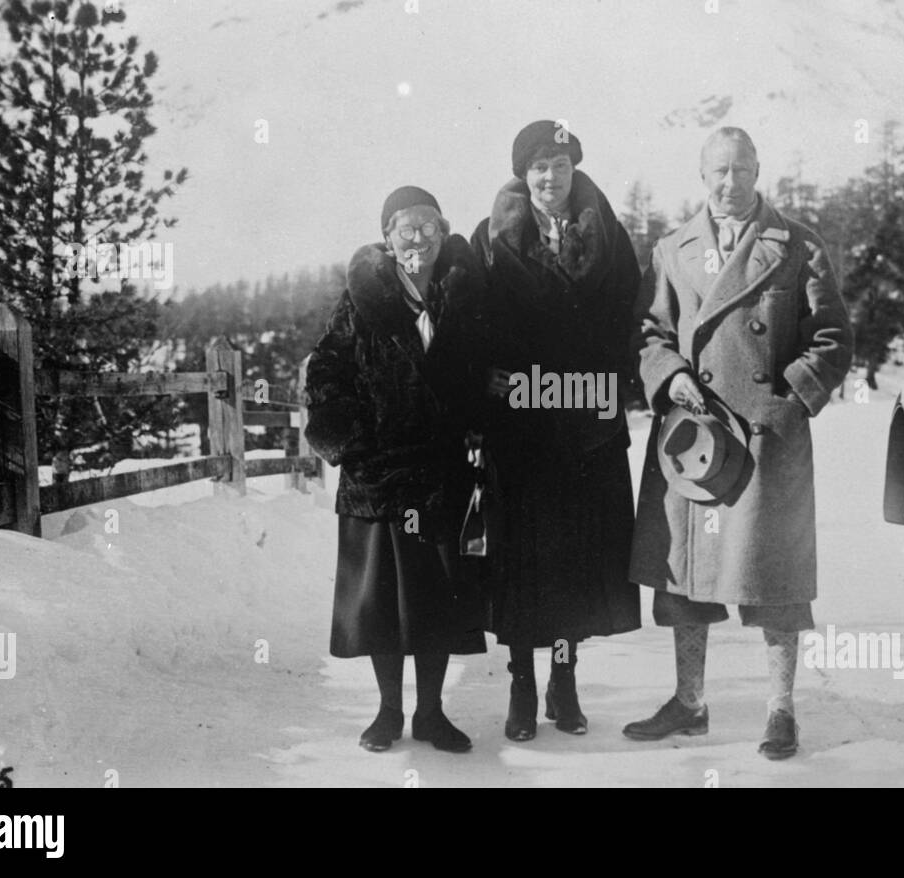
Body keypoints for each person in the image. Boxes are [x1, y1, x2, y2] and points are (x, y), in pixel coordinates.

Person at [623, 128, 852, 759]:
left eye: (743, 169)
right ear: (703, 175)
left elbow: (833, 338)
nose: (732, 183)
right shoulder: (673, 249)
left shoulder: (798, 245)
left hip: (765, 442)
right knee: (684, 578)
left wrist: (790, 398)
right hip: (694, 440)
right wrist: (669, 379)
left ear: (759, 170)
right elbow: (650, 332)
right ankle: (689, 703)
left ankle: (781, 710)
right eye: (720, 171)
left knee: (774, 580)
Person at [468, 120, 642, 741]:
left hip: (586, 430)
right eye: (539, 166)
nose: (550, 177)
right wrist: (490, 385)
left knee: (574, 562)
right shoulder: (489, 239)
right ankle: (521, 686)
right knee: (520, 562)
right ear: (524, 173)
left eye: (560, 166)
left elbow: (630, 315)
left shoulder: (608, 235)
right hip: (519, 429)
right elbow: (472, 323)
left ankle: (563, 685)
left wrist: (616, 385)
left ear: (574, 171)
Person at [304, 186, 486, 754]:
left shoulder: (459, 296)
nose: (418, 238)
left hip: (439, 477)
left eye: (429, 226)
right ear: (387, 237)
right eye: (406, 228)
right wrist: (355, 443)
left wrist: (478, 432)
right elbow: (325, 373)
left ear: (443, 231)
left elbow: (480, 373)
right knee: (383, 602)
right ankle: (388, 713)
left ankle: (431, 714)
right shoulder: (362, 299)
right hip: (379, 479)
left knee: (436, 599)